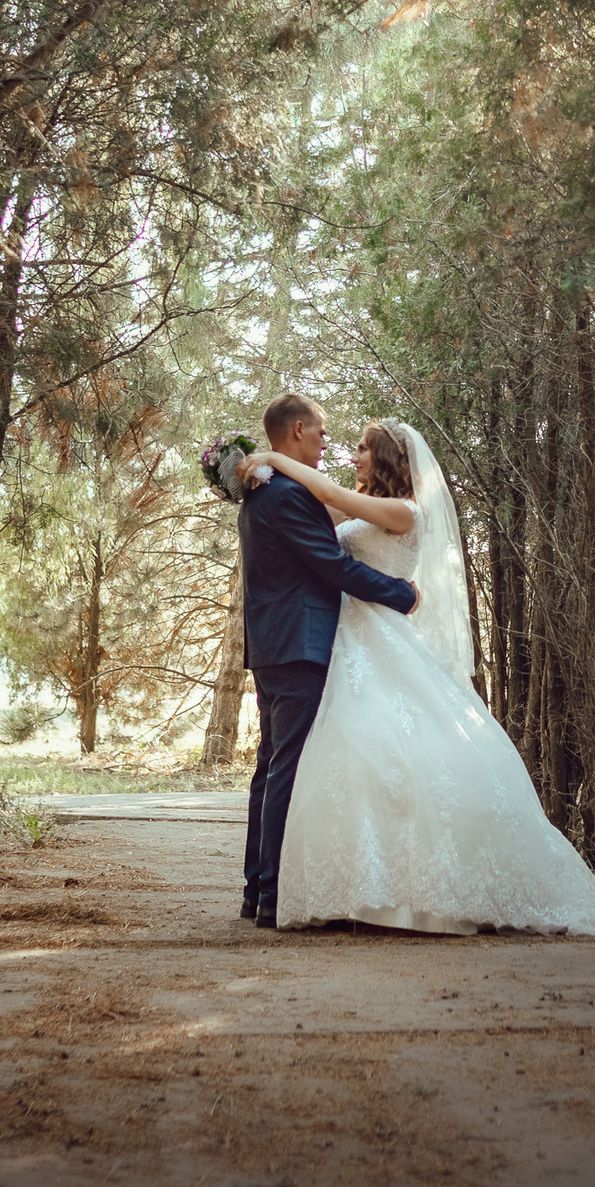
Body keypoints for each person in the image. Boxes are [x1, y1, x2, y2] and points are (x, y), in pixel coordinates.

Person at [241, 420, 595, 935]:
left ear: (386, 457)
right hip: (345, 638)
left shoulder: (404, 511)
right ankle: (340, 887)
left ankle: (396, 889)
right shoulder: (361, 506)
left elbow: (327, 495)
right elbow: (312, 513)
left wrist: (271, 459)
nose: (352, 455)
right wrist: (254, 480)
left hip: (380, 633)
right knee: (343, 755)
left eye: (362, 448)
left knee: (385, 750)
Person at [237, 393, 419, 929]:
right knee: (286, 767)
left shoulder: (265, 491)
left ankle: (257, 889)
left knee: (271, 767)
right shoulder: (287, 494)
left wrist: (269, 461)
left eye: (358, 446)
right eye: (321, 432)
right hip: (300, 643)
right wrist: (403, 595)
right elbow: (334, 565)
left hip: (277, 644)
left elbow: (336, 513)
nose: (329, 443)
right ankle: (273, 895)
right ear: (297, 430)